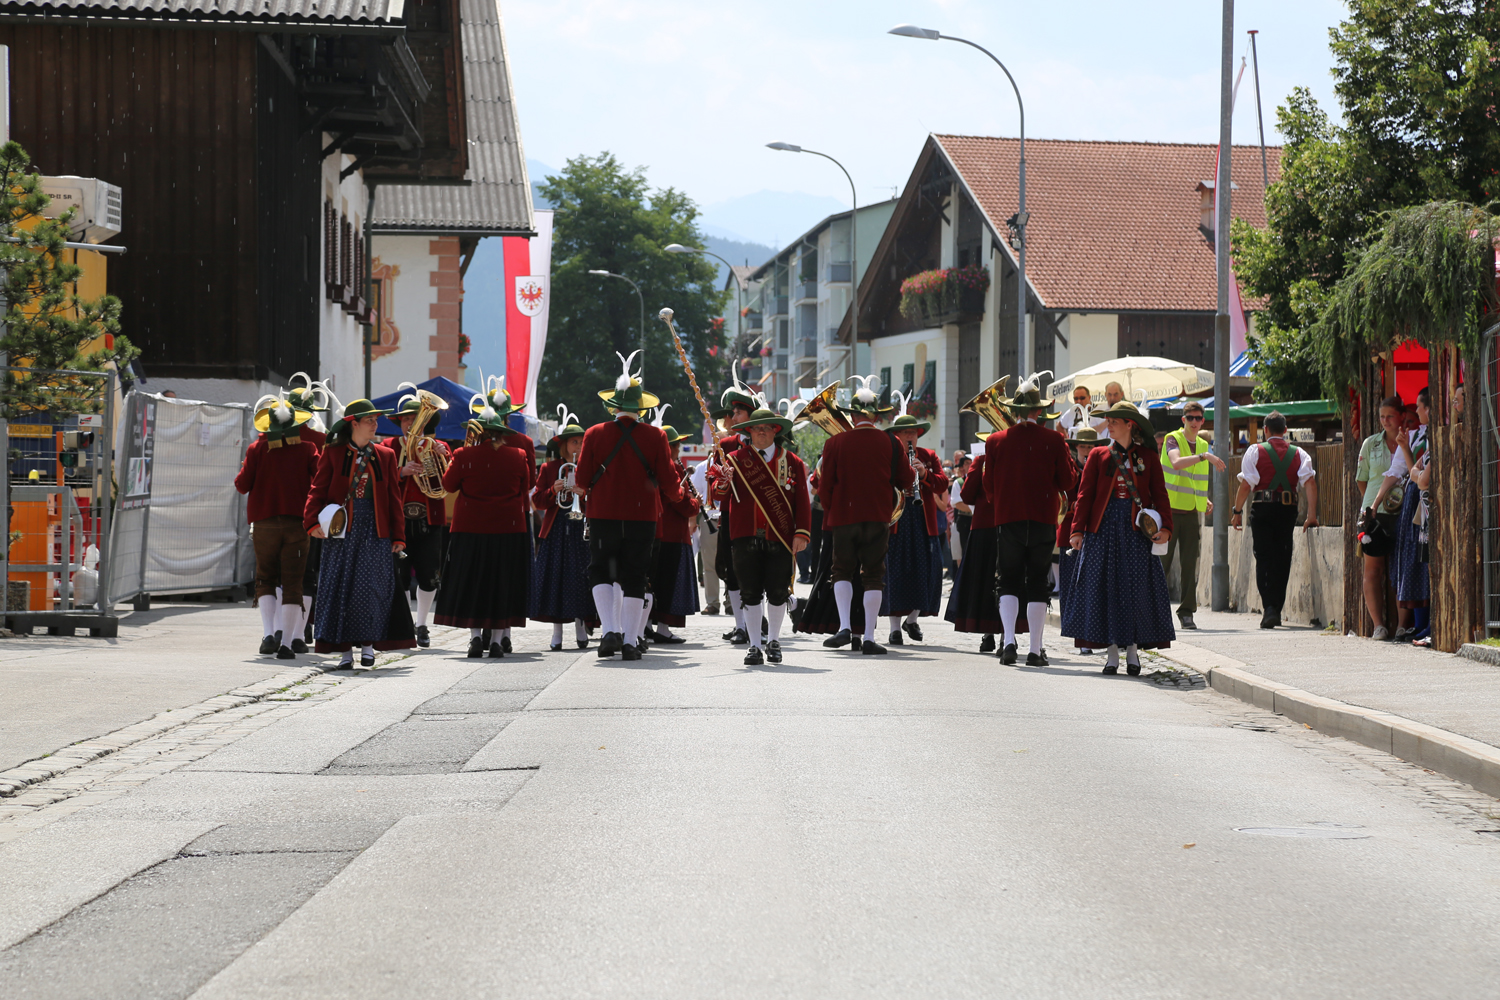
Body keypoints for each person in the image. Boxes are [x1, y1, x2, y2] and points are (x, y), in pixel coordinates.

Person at [571, 352, 684, 661]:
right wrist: (683, 497)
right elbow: (670, 485)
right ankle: (631, 641)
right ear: (641, 408)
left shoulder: (593, 434)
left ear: (614, 406)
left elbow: (580, 482)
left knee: (600, 571)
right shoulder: (657, 436)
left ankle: (609, 631)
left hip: (603, 515)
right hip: (642, 517)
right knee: (636, 576)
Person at [1061, 401, 1175, 675]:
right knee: (1106, 592)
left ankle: (1133, 652)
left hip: (1137, 533)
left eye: (1114, 420)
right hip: (1103, 531)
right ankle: (1112, 654)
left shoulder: (1148, 456)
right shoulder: (1099, 455)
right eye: (1108, 420)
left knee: (1136, 592)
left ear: (1129, 424)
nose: (1108, 424)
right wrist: (1077, 530)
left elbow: (1160, 494)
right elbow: (1084, 496)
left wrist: (1166, 528)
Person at [805, 378, 917, 653]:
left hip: (844, 518)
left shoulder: (835, 443)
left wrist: (835, 509)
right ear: (876, 415)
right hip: (878, 518)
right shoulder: (891, 442)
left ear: (852, 415)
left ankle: (844, 627)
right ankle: (868, 637)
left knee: (841, 571)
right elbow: (906, 480)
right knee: (873, 576)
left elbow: (823, 486)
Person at [304, 398, 416, 668]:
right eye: (370, 421)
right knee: (341, 589)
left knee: (372, 590)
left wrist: (398, 536)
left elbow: (393, 499)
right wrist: (311, 523)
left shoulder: (386, 456)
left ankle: (368, 648)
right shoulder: (332, 453)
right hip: (341, 532)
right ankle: (344, 653)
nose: (375, 425)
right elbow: (317, 491)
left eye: (376, 420)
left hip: (375, 532)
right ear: (353, 424)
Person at [983, 373, 1077, 666]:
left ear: (1013, 411)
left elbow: (988, 487)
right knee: (1037, 582)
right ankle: (1035, 650)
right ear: (1039, 411)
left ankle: (1009, 642)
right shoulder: (1054, 439)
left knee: (1007, 580)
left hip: (1008, 517)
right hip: (1043, 518)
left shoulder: (995, 441)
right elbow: (1068, 480)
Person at [708, 408, 810, 665]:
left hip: (781, 536)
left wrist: (802, 533)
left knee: (777, 592)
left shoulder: (793, 463)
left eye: (767, 428)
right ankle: (754, 645)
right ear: (749, 432)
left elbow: (802, 503)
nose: (761, 431)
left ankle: (773, 641)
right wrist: (722, 482)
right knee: (750, 593)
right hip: (745, 536)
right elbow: (718, 496)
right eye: (756, 428)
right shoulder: (733, 460)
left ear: (776, 431)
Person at [435, 405, 533, 657]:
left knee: (472, 582)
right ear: (501, 432)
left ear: (479, 432)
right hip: (508, 528)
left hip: (470, 528)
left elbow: (448, 484)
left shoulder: (463, 454)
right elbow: (526, 486)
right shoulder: (519, 454)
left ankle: (476, 639)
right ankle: (498, 641)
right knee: (502, 582)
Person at [234, 393, 319, 659]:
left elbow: (242, 485)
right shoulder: (307, 449)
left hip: (264, 524)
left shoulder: (256, 449)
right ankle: (287, 644)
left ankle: (269, 634)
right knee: (293, 582)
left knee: (266, 579)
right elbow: (320, 479)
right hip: (297, 523)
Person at [1231, 410, 1318, 629]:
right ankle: (1275, 609)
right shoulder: (1300, 454)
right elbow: (1310, 483)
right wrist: (1312, 516)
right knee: (1282, 557)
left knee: (1263, 557)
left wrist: (1237, 510)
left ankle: (1269, 608)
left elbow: (1246, 484)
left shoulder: (1255, 451)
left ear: (1265, 430)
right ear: (1286, 430)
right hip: (1287, 510)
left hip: (1261, 509)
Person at [379, 389, 452, 648]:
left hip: (429, 519)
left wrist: (446, 456)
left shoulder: (436, 446)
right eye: (407, 419)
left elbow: (450, 482)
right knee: (396, 576)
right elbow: (379, 482)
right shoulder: (386, 447)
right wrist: (401, 472)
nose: (411, 423)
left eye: (416, 418)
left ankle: (422, 624)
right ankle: (401, 624)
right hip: (397, 520)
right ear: (399, 422)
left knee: (429, 575)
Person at [881, 412, 950, 645]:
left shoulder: (929, 456)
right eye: (905, 433)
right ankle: (894, 629)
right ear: (896, 436)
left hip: (923, 519)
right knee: (896, 572)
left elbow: (942, 483)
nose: (910, 437)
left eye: (913, 433)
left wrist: (924, 473)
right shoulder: (889, 456)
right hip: (898, 520)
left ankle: (912, 619)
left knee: (928, 571)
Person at [1159, 400, 1225, 630]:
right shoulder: (1172, 439)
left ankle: (1187, 613)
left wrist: (1203, 500)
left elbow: (1193, 481)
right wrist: (1204, 457)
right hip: (1166, 513)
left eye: (1199, 418)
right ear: (1183, 420)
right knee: (1161, 565)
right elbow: (1176, 463)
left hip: (1189, 514)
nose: (1195, 422)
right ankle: (1152, 610)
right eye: (1191, 418)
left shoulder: (1201, 444)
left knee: (1189, 565)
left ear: (1202, 420)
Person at [530, 417, 594, 651]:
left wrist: (583, 494)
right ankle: (557, 632)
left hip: (580, 527)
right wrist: (552, 490)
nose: (578, 446)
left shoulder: (588, 467)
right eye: (574, 442)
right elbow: (536, 500)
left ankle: (580, 626)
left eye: (581, 442)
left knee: (580, 578)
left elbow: (596, 500)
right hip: (555, 528)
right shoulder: (548, 468)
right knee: (554, 579)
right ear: (564, 444)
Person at [1372, 387, 1430, 642]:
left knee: (1424, 559)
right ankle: (1415, 625)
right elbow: (1399, 472)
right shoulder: (1415, 438)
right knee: (1412, 560)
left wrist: (1413, 468)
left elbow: (1418, 475)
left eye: (1412, 415)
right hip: (1411, 503)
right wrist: (1374, 504)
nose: (1409, 422)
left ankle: (1422, 625)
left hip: (1423, 500)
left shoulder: (1429, 437)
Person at [709, 383, 758, 643]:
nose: (732, 417)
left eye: (738, 412)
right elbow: (713, 482)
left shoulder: (768, 442)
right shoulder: (724, 445)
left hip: (763, 516)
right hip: (731, 515)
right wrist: (720, 479)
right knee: (733, 569)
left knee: (759, 570)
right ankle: (741, 626)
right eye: (733, 412)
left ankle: (757, 623)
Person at [1354, 396, 1407, 640]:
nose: (1385, 421)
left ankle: (1402, 625)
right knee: (1372, 570)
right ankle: (1379, 625)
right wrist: (1374, 506)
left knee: (1400, 568)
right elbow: (1361, 479)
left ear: (1401, 416)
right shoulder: (1370, 444)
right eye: (1381, 416)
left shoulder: (1410, 439)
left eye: (1390, 416)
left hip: (1404, 512)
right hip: (1374, 513)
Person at [646, 425, 702, 644]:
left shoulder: (653, 465)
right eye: (676, 445)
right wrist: (696, 503)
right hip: (673, 534)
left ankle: (646, 626)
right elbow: (681, 502)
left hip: (657, 531)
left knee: (653, 581)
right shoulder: (672, 468)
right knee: (668, 583)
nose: (679, 449)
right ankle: (663, 628)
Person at [944, 446, 1001, 651]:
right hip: (1011, 526)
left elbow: (968, 495)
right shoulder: (1017, 456)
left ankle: (989, 633)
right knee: (1009, 579)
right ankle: (1007, 636)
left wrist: (979, 464)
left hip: (985, 528)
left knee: (985, 579)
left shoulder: (983, 460)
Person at [1057, 428, 1100, 655]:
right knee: (1071, 588)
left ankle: (1092, 635)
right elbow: (1062, 498)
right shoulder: (1070, 469)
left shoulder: (1103, 466)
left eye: (1091, 447)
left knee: (1092, 587)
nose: (1087, 450)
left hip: (1094, 534)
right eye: (1083, 446)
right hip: (1070, 534)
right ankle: (1079, 636)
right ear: (1076, 449)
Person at [690, 456, 722, 613]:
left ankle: (732, 602)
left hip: (728, 518)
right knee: (709, 563)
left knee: (733, 562)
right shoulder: (702, 467)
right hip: (709, 517)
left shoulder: (733, 463)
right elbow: (693, 493)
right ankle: (712, 602)